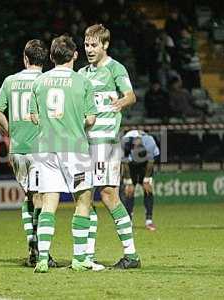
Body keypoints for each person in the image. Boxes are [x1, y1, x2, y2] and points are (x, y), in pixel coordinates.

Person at [30, 34, 105, 273]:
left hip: (46, 149)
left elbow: (34, 117)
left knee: (48, 202)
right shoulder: (82, 82)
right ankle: (79, 258)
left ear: (51, 57)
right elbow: (91, 119)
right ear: (75, 55)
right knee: (83, 200)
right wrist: (76, 124)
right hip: (75, 148)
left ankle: (42, 258)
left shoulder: (39, 82)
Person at [78, 24, 140, 269]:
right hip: (84, 143)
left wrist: (120, 103)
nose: (89, 49)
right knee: (85, 196)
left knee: (108, 194)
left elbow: (131, 95)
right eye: (86, 44)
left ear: (105, 45)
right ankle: (87, 256)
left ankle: (131, 254)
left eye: (94, 45)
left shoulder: (115, 68)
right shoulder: (82, 73)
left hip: (106, 142)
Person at [0, 39, 57, 267]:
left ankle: (33, 244)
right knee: (42, 197)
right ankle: (40, 249)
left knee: (29, 195)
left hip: (17, 149)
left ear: (25, 58)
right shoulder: (48, 80)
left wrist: (12, 129)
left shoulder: (10, 81)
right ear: (45, 59)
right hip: (40, 148)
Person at [121, 130, 160, 231]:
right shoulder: (125, 145)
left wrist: (146, 180)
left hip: (145, 165)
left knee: (148, 190)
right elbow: (125, 164)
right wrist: (129, 182)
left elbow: (151, 162)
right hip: (131, 166)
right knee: (129, 191)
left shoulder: (150, 144)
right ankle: (128, 220)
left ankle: (149, 221)